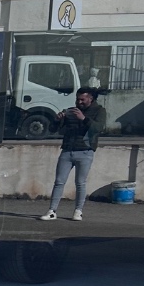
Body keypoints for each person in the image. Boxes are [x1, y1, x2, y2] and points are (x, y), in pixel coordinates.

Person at [40, 88, 106, 221]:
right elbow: (53, 129)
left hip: (85, 151)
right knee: (59, 181)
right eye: (78, 99)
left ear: (90, 99)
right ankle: (52, 211)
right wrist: (57, 120)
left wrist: (84, 118)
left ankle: (78, 211)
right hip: (67, 150)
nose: (79, 102)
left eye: (83, 99)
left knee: (80, 182)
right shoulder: (70, 111)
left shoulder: (99, 111)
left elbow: (98, 128)